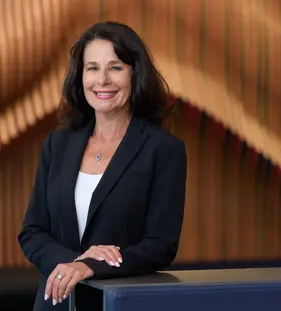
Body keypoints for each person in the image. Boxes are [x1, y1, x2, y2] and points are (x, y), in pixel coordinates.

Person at [18, 21, 187, 311]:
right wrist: (76, 263)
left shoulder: (164, 150)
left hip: (122, 303)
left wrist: (93, 266)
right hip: (55, 304)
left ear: (136, 74)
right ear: (80, 76)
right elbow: (32, 232)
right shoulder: (58, 144)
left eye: (116, 67)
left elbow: (161, 246)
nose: (102, 80)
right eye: (92, 68)